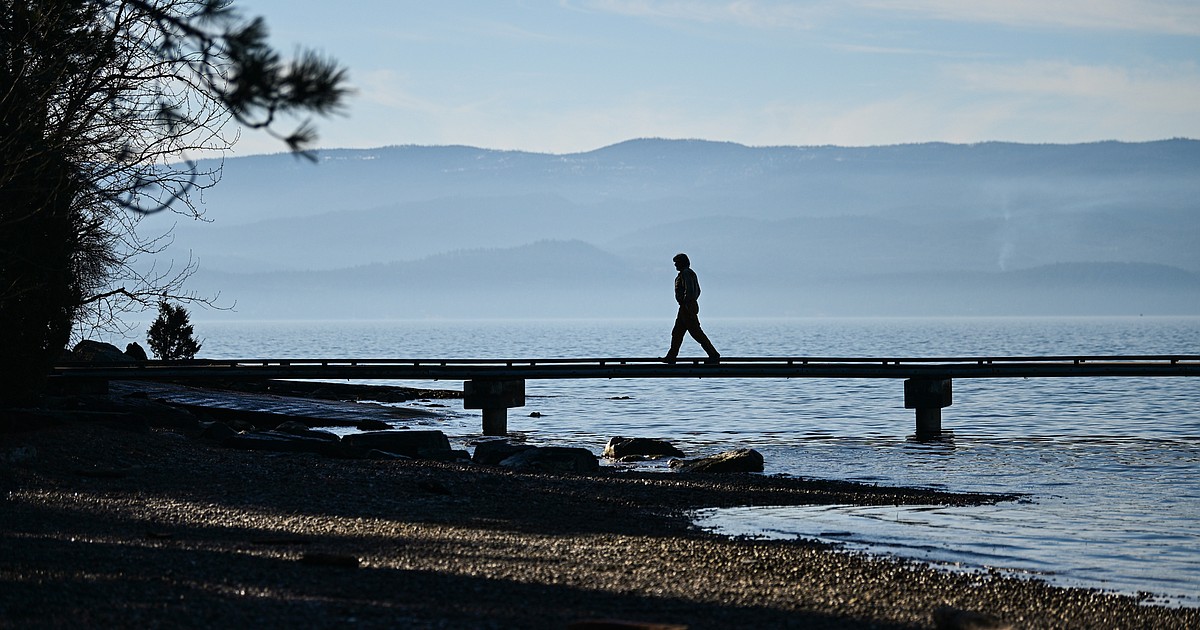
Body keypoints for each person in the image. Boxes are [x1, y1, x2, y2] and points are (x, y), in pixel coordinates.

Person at [663, 253, 720, 364]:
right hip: (685, 307)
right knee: (677, 333)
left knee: (696, 333)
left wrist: (686, 302)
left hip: (687, 307)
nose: (675, 266)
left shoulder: (686, 273)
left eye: (677, 263)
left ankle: (714, 355)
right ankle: (671, 356)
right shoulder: (686, 274)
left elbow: (691, 291)